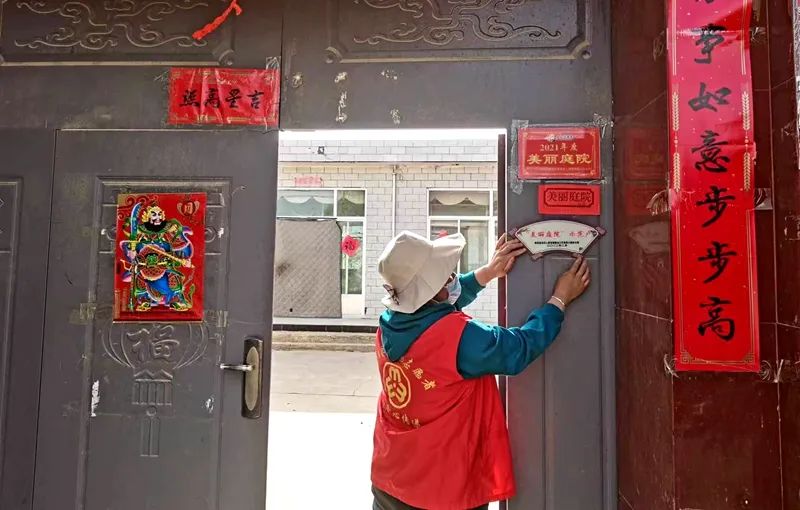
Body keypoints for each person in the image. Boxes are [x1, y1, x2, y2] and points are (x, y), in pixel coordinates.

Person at [372, 230, 590, 510]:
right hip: (441, 488)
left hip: (391, 477)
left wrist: (488, 272)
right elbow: (518, 348)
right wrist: (559, 300)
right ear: (433, 290)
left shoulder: (390, 323)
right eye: (445, 275)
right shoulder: (458, 338)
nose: (452, 277)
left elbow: (434, 308)